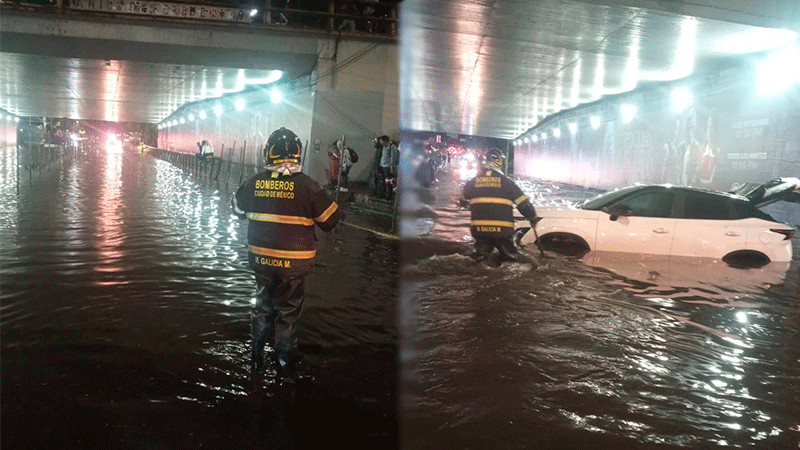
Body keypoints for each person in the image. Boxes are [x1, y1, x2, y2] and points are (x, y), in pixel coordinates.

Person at [232, 127, 340, 384]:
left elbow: (237, 209)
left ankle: (256, 361)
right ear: (298, 152)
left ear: (268, 152)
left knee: (262, 307)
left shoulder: (253, 182)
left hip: (260, 261)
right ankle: (284, 371)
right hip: (294, 266)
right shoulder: (309, 187)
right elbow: (330, 221)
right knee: (288, 314)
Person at [462, 148, 538, 263]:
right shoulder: (507, 183)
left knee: (479, 261)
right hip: (502, 231)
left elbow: (463, 200)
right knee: (510, 262)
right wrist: (532, 218)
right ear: (499, 161)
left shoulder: (472, 183)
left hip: (480, 230)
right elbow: (524, 204)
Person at [378, 135, 398, 200]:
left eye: (381, 141)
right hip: (382, 165)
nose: (380, 142)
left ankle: (388, 195)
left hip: (387, 166)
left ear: (384, 141)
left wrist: (391, 167)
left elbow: (393, 157)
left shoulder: (392, 147)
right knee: (382, 181)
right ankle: (382, 193)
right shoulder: (384, 147)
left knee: (388, 182)